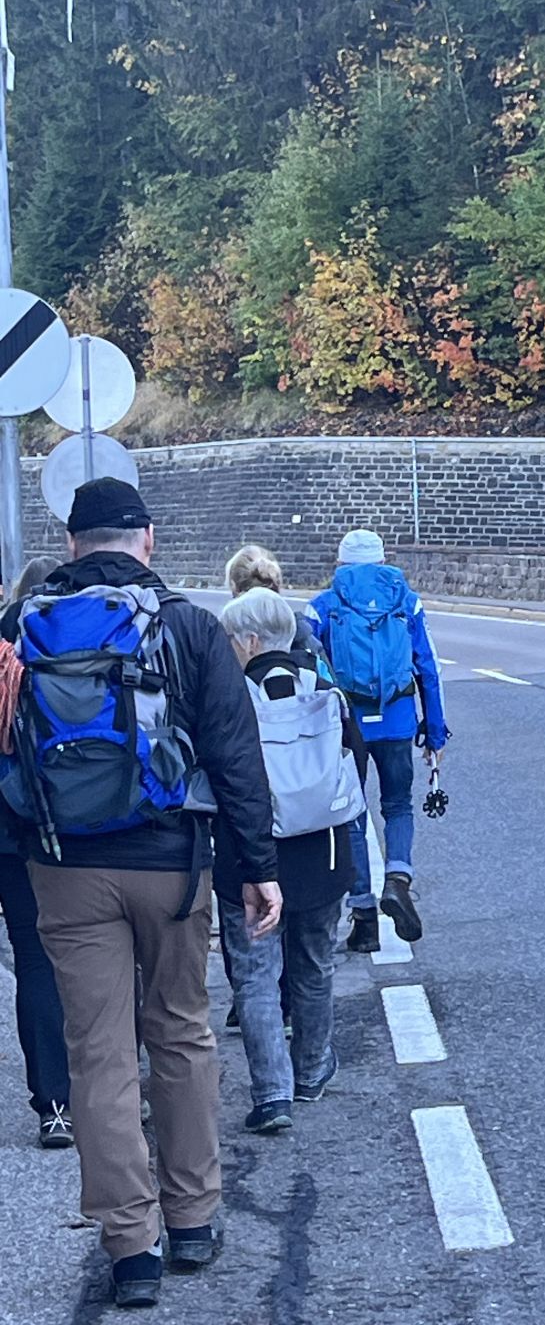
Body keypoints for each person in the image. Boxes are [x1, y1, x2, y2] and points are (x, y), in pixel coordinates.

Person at [0, 479, 281, 1310]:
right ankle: (193, 1217)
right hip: (172, 868)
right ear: (147, 541)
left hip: (62, 867)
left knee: (99, 1054)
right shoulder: (190, 627)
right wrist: (256, 866)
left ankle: (131, 1247)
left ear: (72, 542)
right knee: (182, 1034)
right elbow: (235, 756)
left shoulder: (18, 629)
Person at [216, 588, 356, 1134]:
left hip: (251, 858)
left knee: (255, 976)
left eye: (231, 639)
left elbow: (215, 781)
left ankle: (272, 1094)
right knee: (314, 966)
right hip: (322, 852)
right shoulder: (324, 686)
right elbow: (354, 762)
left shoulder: (229, 697)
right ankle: (313, 1070)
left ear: (250, 641)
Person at [306, 530, 449, 952]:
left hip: (349, 726)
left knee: (351, 813)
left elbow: (312, 671)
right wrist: (434, 730)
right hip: (398, 721)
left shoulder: (323, 606)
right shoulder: (407, 601)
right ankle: (399, 878)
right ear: (383, 559)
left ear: (342, 563)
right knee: (399, 805)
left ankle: (364, 918)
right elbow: (427, 666)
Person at [0, 555, 72, 1149]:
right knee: (53, 958)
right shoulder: (66, 648)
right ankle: (71, 1098)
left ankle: (54, 1103)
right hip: (44, 827)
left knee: (32, 960)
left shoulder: (4, 641)